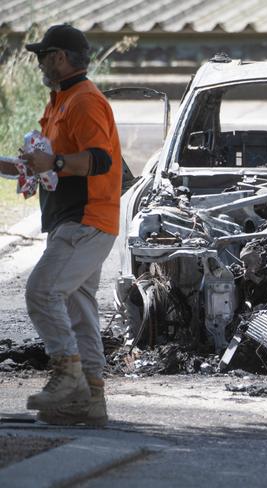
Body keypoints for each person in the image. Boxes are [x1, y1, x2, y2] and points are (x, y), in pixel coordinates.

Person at [0, 24, 122, 426]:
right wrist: (29, 165)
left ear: (59, 57)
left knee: (41, 291)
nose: (37, 64)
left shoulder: (84, 101)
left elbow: (100, 160)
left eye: (41, 56)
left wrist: (51, 163)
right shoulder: (61, 101)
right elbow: (43, 165)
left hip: (85, 220)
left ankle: (67, 377)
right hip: (74, 222)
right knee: (79, 309)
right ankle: (90, 400)